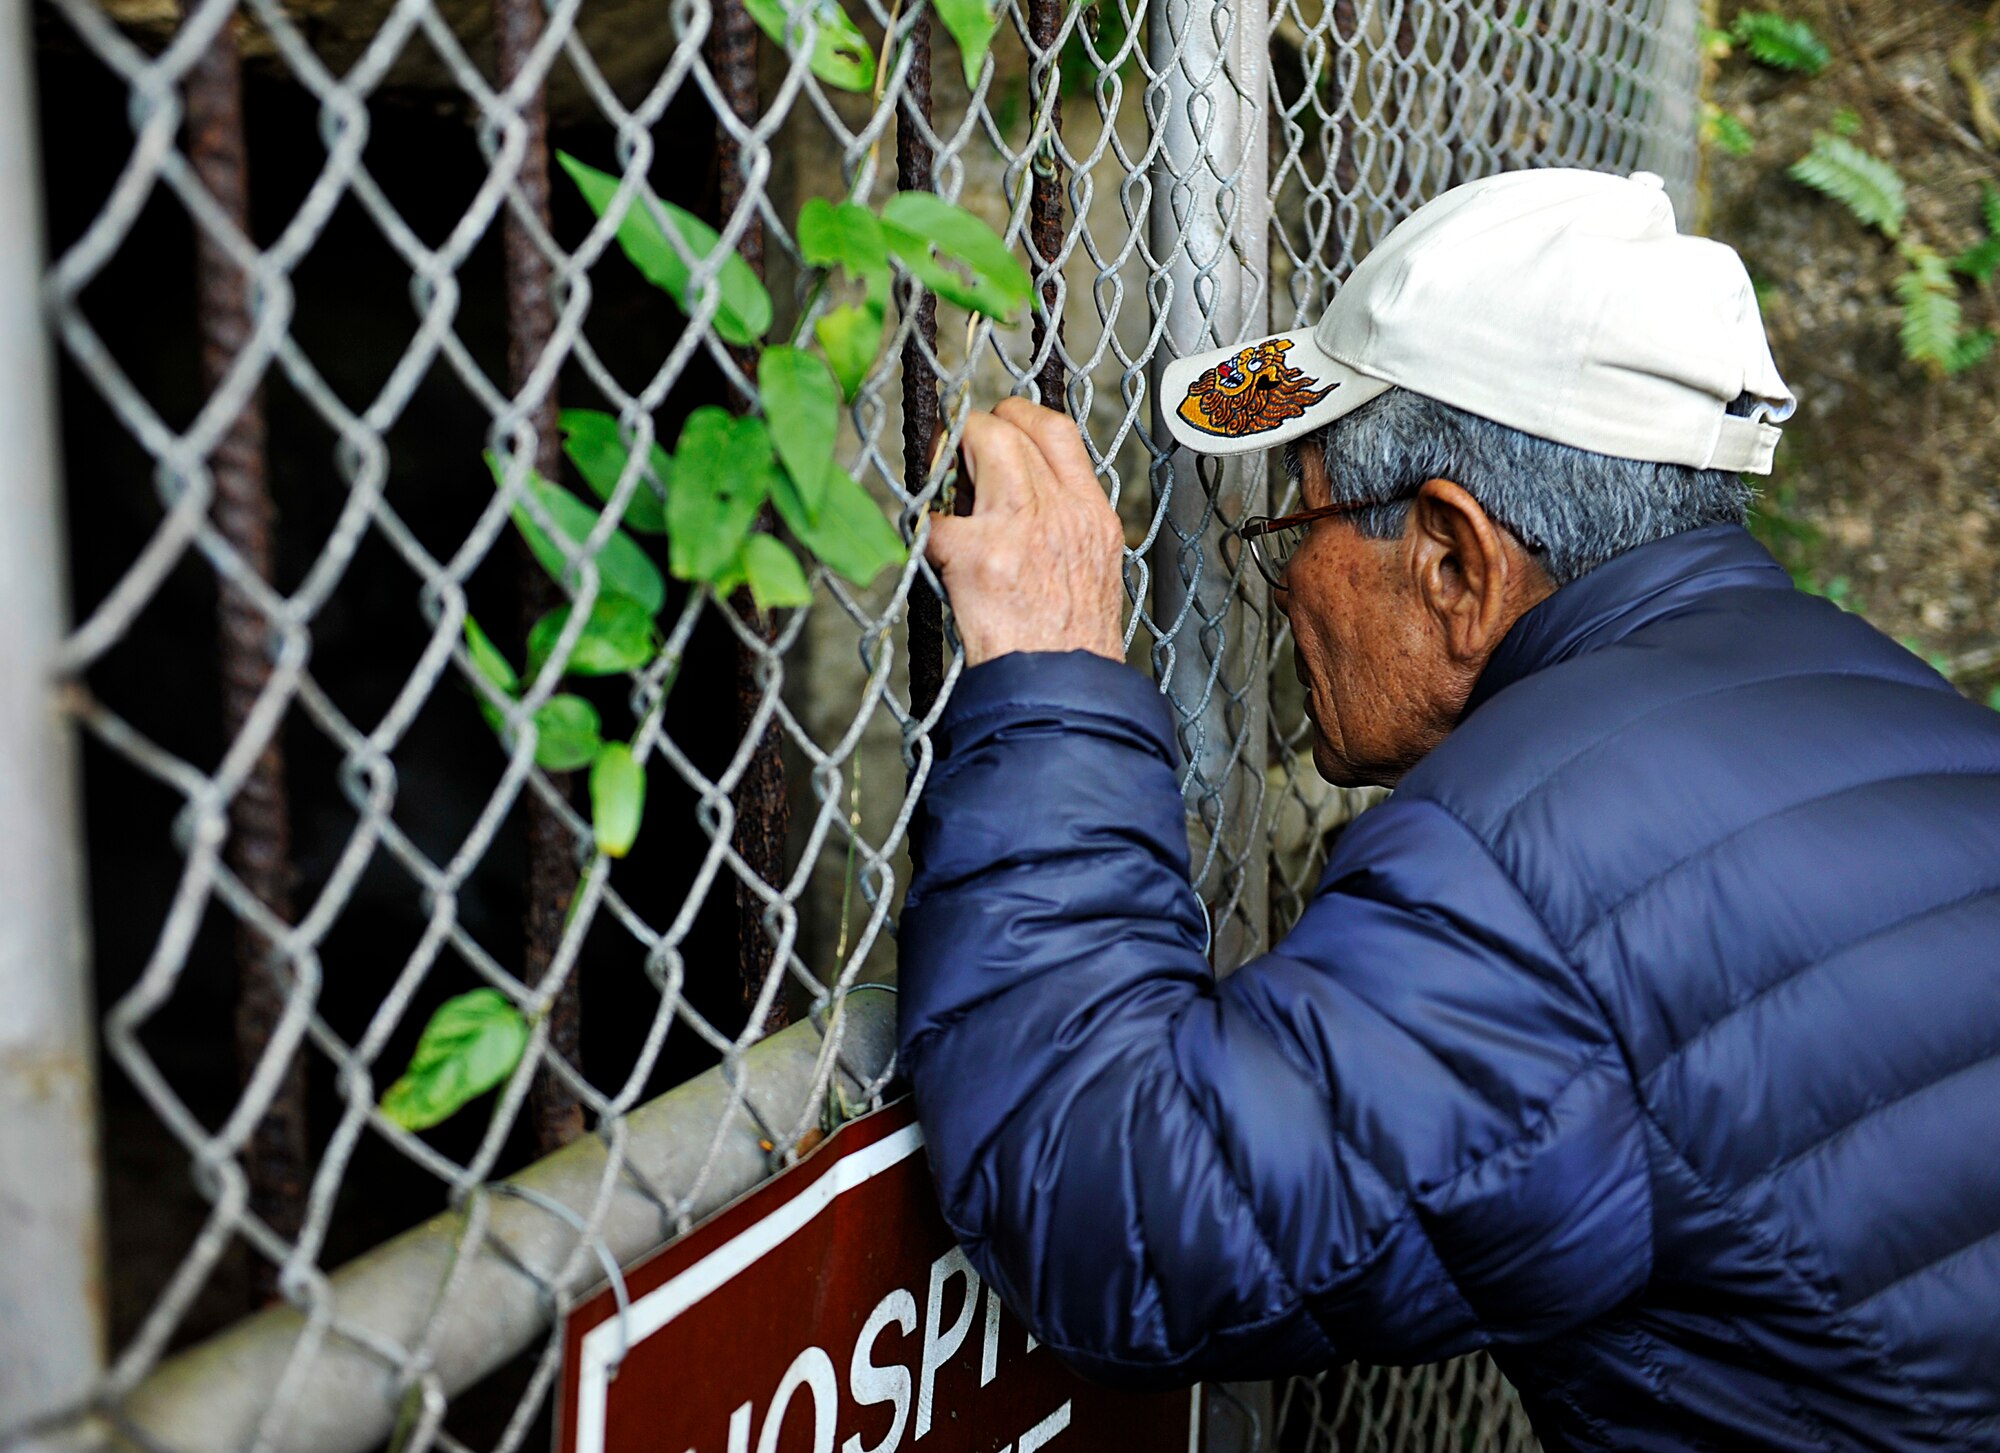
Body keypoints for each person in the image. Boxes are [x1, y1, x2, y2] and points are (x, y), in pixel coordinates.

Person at [897, 167, 2000, 1451]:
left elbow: (1108, 1211)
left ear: (1452, 560)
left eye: (1295, 518)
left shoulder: (1533, 868)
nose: (1278, 587)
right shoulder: (1919, 720)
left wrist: (1055, 682)